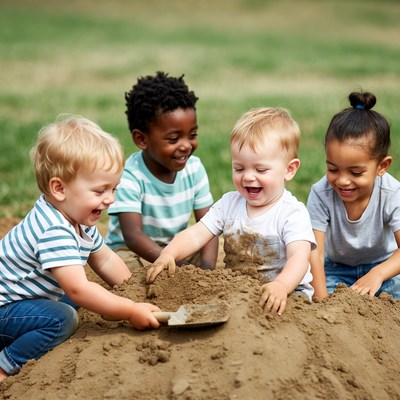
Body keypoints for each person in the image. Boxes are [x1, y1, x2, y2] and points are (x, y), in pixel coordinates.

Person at [0, 115, 161, 382]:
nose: (110, 199)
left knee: (79, 298)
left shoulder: (76, 218)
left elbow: (105, 259)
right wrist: (129, 310)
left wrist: (133, 292)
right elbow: (78, 288)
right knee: (63, 318)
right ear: (60, 188)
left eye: (114, 189)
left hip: (22, 303)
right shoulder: (54, 230)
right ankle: (6, 365)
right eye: (100, 191)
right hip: (5, 310)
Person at [147, 107, 316, 316]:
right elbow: (196, 234)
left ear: (289, 169)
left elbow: (299, 257)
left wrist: (281, 285)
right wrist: (169, 253)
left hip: (288, 293)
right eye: (239, 168)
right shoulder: (229, 204)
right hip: (239, 290)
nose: (248, 177)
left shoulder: (292, 213)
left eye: (260, 170)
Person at [105, 71, 218, 270]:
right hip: (131, 250)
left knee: (203, 247)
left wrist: (207, 272)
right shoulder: (130, 176)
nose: (186, 145)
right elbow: (133, 236)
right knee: (125, 267)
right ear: (142, 139)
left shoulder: (194, 169)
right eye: (174, 139)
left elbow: (208, 225)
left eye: (192, 134)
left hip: (174, 247)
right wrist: (178, 266)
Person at [307, 91, 400, 300]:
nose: (342, 180)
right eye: (332, 169)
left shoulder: (392, 193)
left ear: (382, 166)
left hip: (384, 267)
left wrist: (378, 274)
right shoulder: (321, 193)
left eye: (356, 172)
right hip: (337, 269)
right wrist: (322, 303)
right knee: (310, 292)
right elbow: (315, 252)